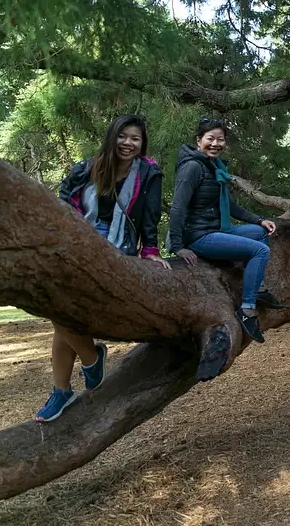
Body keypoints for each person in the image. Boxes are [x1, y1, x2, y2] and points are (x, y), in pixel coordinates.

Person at [36, 115, 170, 423]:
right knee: (60, 311)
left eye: (135, 138)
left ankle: (63, 388)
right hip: (80, 238)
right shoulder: (88, 167)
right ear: (112, 137)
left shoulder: (149, 172)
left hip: (118, 243)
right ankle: (89, 360)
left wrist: (149, 250)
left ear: (142, 143)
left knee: (62, 313)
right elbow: (64, 200)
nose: (128, 143)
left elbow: (150, 215)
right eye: (123, 136)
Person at [168, 119, 282, 344]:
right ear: (198, 141)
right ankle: (247, 310)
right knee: (260, 251)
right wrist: (177, 245)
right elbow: (178, 207)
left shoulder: (215, 168)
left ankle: (256, 287)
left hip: (215, 229)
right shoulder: (192, 167)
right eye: (210, 139)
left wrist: (259, 220)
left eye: (220, 139)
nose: (215, 143)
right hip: (199, 236)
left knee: (260, 234)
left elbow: (230, 206)